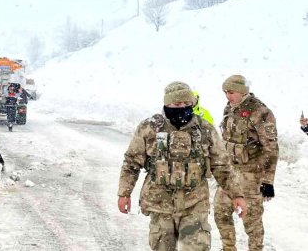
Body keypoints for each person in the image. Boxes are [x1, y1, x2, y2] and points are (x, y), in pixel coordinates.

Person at [117, 81, 246, 250]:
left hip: (194, 203)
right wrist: (124, 193)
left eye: (187, 104)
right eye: (177, 104)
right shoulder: (149, 128)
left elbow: (222, 166)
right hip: (160, 203)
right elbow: (131, 162)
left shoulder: (205, 130)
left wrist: (237, 195)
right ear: (167, 104)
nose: (182, 108)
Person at [215, 75, 279, 251]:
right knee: (220, 212)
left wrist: (268, 181)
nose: (228, 96)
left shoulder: (260, 111)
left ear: (242, 91)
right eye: (225, 92)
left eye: (231, 92)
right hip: (230, 173)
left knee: (252, 220)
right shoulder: (229, 108)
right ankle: (228, 248)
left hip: (251, 175)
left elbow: (271, 149)